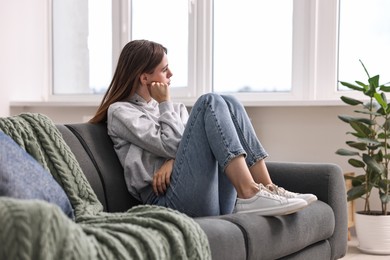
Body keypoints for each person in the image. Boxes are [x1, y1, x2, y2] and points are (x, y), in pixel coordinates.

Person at [90, 39, 317, 218]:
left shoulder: (176, 109)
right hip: (166, 201)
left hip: (204, 194)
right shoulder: (121, 112)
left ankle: (267, 188)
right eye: (165, 69)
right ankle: (248, 192)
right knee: (209, 101)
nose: (171, 75)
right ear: (145, 77)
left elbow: (187, 148)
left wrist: (173, 161)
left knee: (229, 102)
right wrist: (164, 105)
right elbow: (170, 144)